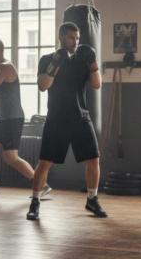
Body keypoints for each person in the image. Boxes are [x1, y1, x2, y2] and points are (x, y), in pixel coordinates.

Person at [26, 22, 104, 220]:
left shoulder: (82, 59)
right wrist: (55, 65)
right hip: (57, 119)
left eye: (77, 38)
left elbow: (96, 85)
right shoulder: (47, 59)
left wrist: (93, 64)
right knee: (44, 163)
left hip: (81, 118)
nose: (75, 42)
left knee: (93, 160)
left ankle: (92, 200)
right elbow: (43, 86)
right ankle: (35, 202)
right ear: (61, 38)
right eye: (71, 38)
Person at [0, 38, 51, 197]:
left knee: (11, 158)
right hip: (5, 119)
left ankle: (41, 184)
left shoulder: (4, 68)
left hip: (12, 119)